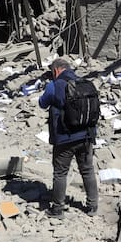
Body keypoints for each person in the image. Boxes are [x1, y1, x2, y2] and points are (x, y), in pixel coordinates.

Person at [39, 58, 99, 218]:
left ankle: (57, 209)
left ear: (56, 70)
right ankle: (93, 206)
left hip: (64, 138)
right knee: (87, 170)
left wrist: (48, 88)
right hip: (86, 136)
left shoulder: (54, 85)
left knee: (60, 173)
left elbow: (42, 103)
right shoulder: (84, 83)